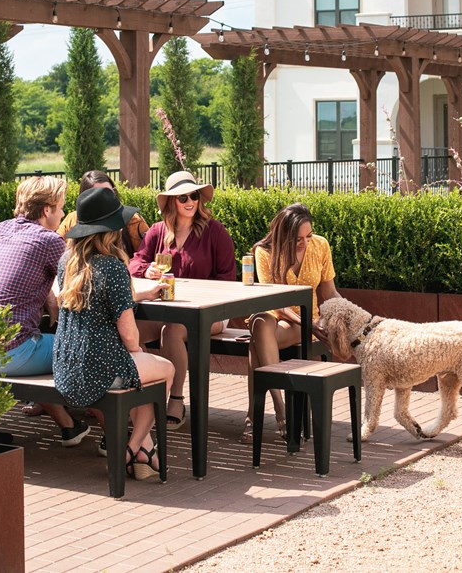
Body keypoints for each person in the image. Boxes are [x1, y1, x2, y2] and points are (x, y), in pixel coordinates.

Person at [54, 186, 174, 478]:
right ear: (112, 229)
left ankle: (146, 452)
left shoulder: (67, 263)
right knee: (165, 370)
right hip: (99, 368)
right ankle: (132, 449)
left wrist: (139, 299)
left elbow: (95, 301)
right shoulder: (113, 267)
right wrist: (136, 353)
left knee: (142, 371)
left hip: (65, 366)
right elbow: (131, 337)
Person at [0, 176, 89, 446]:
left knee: (42, 337)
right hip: (13, 353)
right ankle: (115, 437)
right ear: (46, 210)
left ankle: (69, 427)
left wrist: (48, 297)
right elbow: (83, 286)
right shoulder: (49, 240)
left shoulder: (1, 229)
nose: (64, 213)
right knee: (85, 350)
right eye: (62, 207)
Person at [128, 171, 236, 430]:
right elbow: (136, 262)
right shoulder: (156, 231)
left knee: (173, 331)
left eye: (194, 195)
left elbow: (228, 279)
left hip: (210, 312)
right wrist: (148, 271)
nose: (190, 201)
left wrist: (200, 293)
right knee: (130, 330)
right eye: (183, 197)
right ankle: (138, 396)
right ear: (171, 202)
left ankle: (175, 399)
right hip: (167, 307)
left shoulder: (215, 232)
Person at [242, 203, 341, 444]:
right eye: (298, 239)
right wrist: (308, 324)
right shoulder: (265, 252)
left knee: (257, 340)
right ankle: (280, 408)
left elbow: (329, 292)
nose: (305, 243)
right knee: (260, 323)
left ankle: (254, 415)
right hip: (281, 318)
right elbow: (275, 303)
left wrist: (351, 316)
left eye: (308, 236)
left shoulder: (321, 245)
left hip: (309, 320)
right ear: (283, 235)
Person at [56, 170, 150, 257]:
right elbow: (58, 255)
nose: (105, 198)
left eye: (109, 192)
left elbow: (146, 257)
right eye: (98, 195)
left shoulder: (133, 221)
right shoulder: (72, 220)